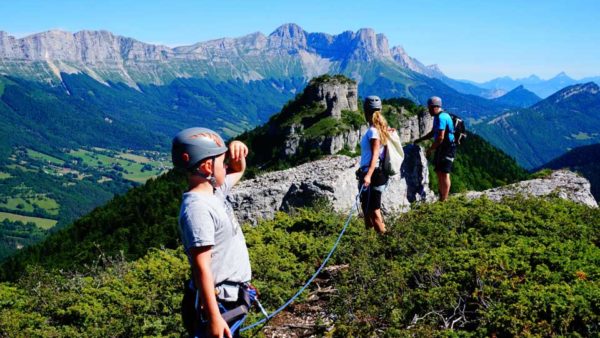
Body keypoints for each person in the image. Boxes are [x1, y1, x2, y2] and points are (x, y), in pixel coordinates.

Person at [172, 127, 253, 338]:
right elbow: (202, 268)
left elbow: (237, 170)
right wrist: (214, 317)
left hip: (228, 298)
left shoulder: (215, 192)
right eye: (222, 161)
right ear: (208, 166)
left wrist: (238, 149)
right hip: (218, 304)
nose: (226, 166)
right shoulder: (197, 209)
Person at [357, 95, 391, 234]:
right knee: (367, 208)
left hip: (373, 174)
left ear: (366, 111)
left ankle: (386, 242)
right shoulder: (380, 128)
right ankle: (369, 240)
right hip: (376, 173)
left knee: (374, 211)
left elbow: (375, 154)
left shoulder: (373, 131)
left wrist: (368, 175)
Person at [413, 96, 456, 201]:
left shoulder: (442, 117)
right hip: (442, 148)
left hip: (447, 148)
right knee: (439, 172)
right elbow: (433, 132)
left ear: (436, 107)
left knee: (445, 173)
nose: (429, 110)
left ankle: (444, 200)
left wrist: (430, 150)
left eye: (430, 108)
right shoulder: (437, 117)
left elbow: (440, 137)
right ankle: (442, 196)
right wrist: (420, 139)